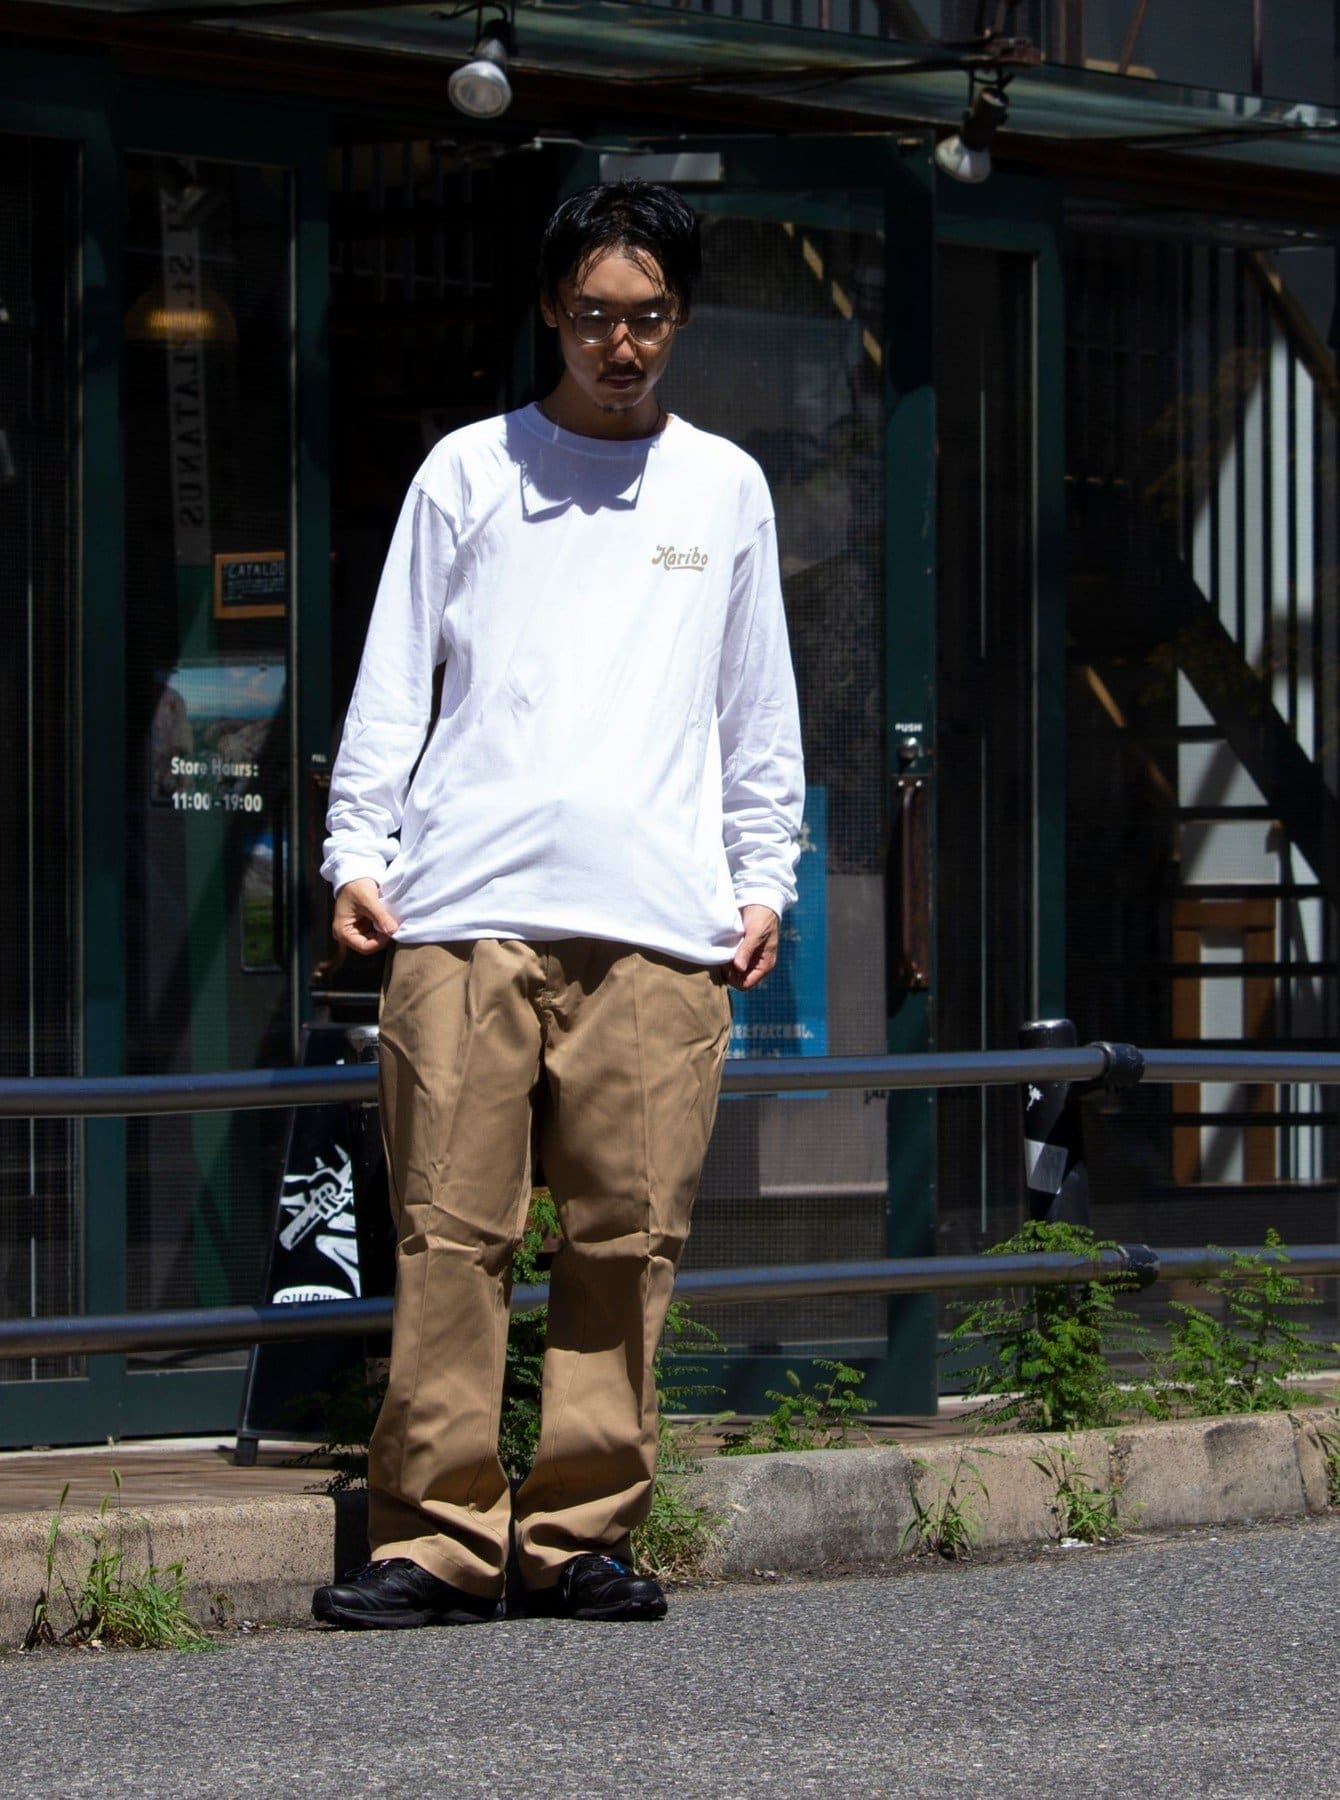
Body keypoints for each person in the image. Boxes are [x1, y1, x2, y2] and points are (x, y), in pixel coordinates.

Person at [311, 180, 804, 1629]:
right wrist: (356, 847)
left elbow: (755, 703)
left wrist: (763, 873)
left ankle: (581, 1531)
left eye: (647, 316)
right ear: (551, 313)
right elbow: (394, 672)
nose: (620, 344)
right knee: (447, 1232)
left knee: (626, 1237)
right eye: (593, 315)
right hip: (462, 907)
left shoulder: (724, 487)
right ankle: (434, 1539)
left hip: (658, 921)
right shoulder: (469, 469)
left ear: (681, 319)